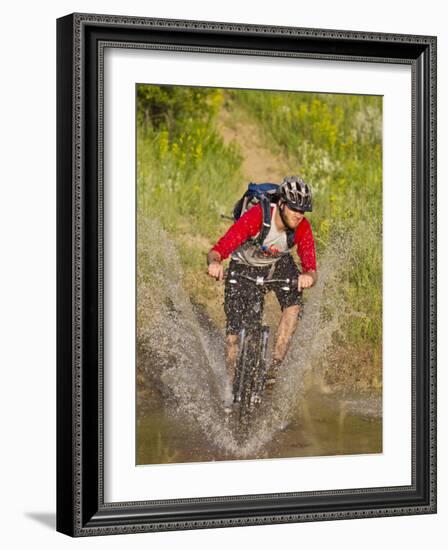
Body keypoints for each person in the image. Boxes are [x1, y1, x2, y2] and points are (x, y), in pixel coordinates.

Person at [207, 176, 317, 404]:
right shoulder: (259, 216)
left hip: (277, 264)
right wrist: (215, 263)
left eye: (303, 210)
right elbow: (220, 248)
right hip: (244, 265)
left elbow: (310, 265)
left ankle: (274, 369)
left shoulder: (302, 227)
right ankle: (229, 386)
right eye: (295, 208)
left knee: (294, 304)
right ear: (283, 204)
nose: (299, 214)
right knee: (233, 335)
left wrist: (308, 276)